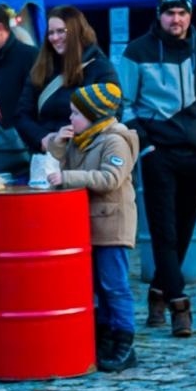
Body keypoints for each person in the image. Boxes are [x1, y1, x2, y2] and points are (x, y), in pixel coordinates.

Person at [119, 0, 196, 338]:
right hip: (159, 153)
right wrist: (147, 147)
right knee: (164, 230)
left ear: (190, 15)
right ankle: (179, 304)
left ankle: (157, 292)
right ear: (159, 15)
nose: (176, 19)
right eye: (170, 12)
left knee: (183, 230)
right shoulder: (137, 51)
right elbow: (125, 104)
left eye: (182, 13)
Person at [40, 82, 141, 372]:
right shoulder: (81, 139)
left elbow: (111, 178)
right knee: (96, 285)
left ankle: (124, 341)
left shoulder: (115, 140)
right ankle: (104, 337)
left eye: (76, 113)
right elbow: (58, 161)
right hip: (87, 227)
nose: (70, 118)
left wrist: (69, 178)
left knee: (114, 285)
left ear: (93, 115)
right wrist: (59, 142)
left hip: (112, 224)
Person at [12, 5, 118, 151]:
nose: (55, 38)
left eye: (61, 31)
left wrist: (76, 140)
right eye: (51, 33)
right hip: (46, 155)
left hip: (84, 154)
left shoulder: (99, 67)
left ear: (76, 31)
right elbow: (22, 114)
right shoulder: (42, 67)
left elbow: (113, 114)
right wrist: (42, 139)